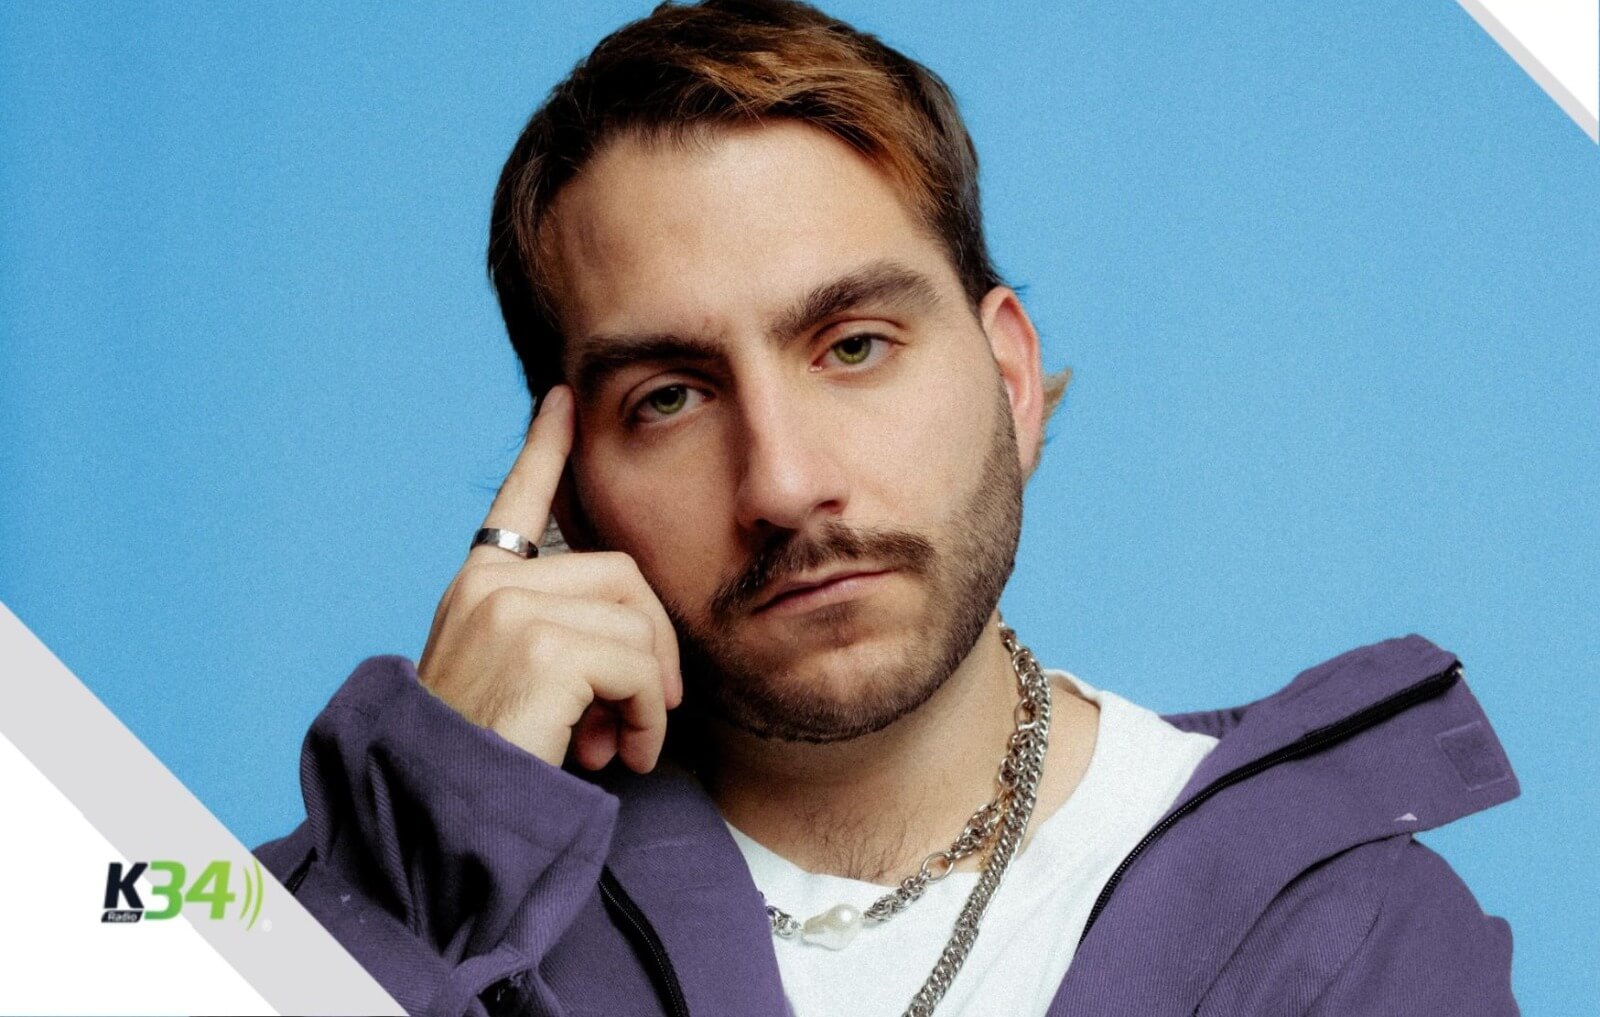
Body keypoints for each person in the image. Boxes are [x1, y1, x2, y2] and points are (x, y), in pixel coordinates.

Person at [256, 2, 1521, 1014]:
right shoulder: (358, 901)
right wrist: (413, 855)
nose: (781, 482)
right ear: (571, 494)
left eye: (853, 346)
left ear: (1010, 382)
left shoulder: (1345, 936)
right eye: (669, 398)